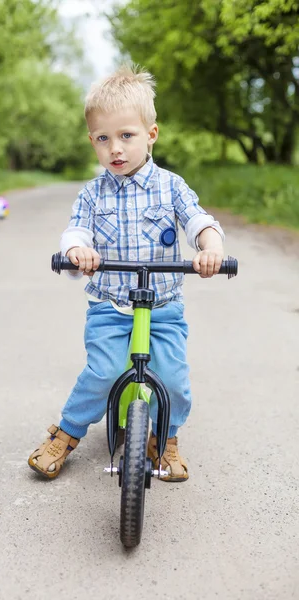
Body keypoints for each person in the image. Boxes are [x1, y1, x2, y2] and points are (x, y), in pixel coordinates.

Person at [28, 65, 225, 481]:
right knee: (102, 372)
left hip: (164, 307)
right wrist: (78, 250)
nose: (115, 148)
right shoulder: (92, 193)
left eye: (126, 136)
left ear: (150, 135)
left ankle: (165, 440)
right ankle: (65, 434)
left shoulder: (171, 186)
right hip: (110, 306)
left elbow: (198, 221)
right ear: (92, 142)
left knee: (172, 379)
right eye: (104, 139)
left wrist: (211, 248)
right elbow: (76, 230)